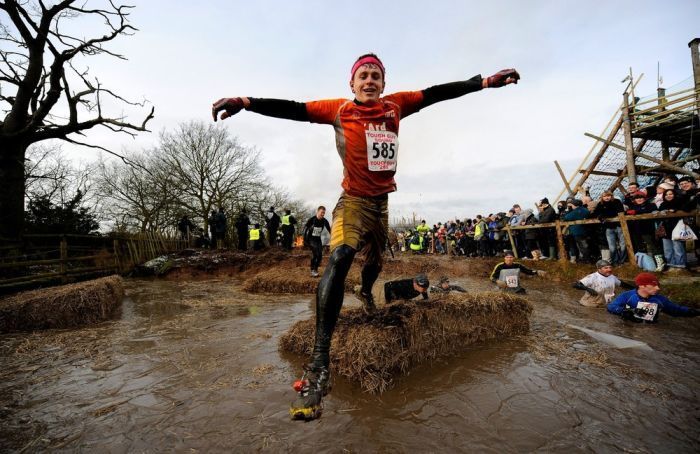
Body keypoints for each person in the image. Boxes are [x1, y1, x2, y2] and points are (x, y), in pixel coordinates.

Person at [212, 52, 519, 420]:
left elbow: (436, 93)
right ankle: (319, 361)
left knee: (374, 266)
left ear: (384, 84)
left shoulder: (396, 106)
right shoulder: (338, 110)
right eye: (363, 76)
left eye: (376, 75)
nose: (370, 81)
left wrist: (482, 83)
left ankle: (365, 293)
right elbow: (293, 109)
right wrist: (245, 102)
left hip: (382, 206)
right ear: (352, 84)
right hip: (353, 203)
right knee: (341, 256)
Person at [607, 272, 699, 322]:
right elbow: (611, 306)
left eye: (658, 285)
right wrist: (623, 311)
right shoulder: (627, 296)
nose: (658, 288)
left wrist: (695, 312)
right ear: (642, 286)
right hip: (629, 328)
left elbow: (676, 310)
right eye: (654, 285)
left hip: (651, 328)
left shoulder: (659, 299)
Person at [592, 191, 626, 265]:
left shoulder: (616, 202)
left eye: (608, 196)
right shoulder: (600, 204)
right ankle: (615, 261)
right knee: (612, 246)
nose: (606, 197)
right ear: (602, 197)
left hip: (619, 226)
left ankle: (622, 261)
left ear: (611, 196)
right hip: (608, 227)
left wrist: (604, 215)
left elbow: (619, 211)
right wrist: (600, 216)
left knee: (623, 244)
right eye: (604, 196)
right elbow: (595, 213)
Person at [658, 189, 687, 269]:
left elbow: (684, 209)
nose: (668, 196)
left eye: (670, 194)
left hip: (676, 228)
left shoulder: (679, 202)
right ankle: (671, 265)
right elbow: (659, 212)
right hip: (666, 229)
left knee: (678, 248)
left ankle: (680, 266)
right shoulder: (663, 204)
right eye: (666, 194)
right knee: (667, 249)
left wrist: (675, 210)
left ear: (674, 195)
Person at [304, 206, 332, 277]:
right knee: (315, 253)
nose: (323, 214)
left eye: (324, 213)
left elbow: (329, 230)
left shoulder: (325, 221)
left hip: (318, 239)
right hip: (311, 239)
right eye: (321, 212)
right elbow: (305, 229)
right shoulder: (312, 220)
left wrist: (332, 236)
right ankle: (312, 269)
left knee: (320, 255)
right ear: (318, 211)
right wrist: (305, 240)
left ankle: (315, 269)